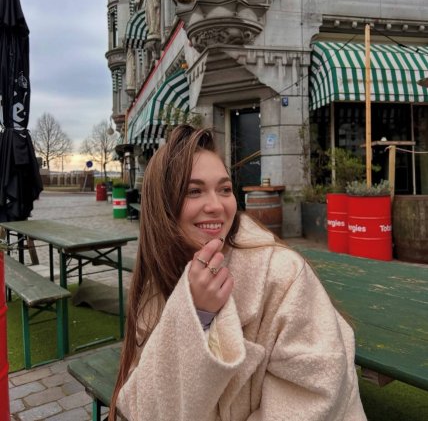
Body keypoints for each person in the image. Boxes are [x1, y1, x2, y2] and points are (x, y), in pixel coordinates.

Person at [109, 125, 367, 421]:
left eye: (225, 189)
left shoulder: (283, 273)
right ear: (162, 206)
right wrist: (196, 315)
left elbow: (316, 393)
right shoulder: (156, 283)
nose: (216, 206)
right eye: (194, 191)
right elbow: (144, 407)